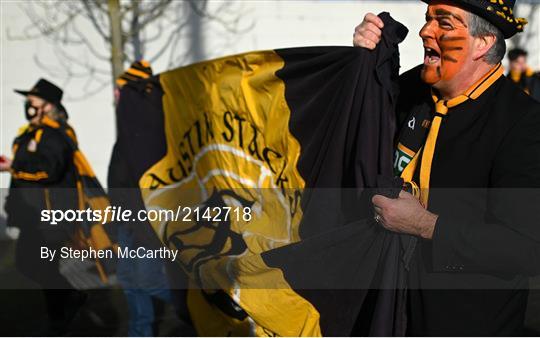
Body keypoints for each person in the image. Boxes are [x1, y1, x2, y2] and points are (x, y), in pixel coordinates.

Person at [353, 0, 540, 335]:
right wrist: (363, 61)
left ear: (483, 44)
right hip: (387, 314)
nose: (426, 30)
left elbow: (526, 248)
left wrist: (426, 226)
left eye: (445, 23)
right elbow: (356, 128)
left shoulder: (523, 124)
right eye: (428, 19)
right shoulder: (409, 91)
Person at [0, 78, 87, 335]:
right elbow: (27, 168)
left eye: (33, 102)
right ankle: (60, 316)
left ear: (49, 106)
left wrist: (13, 167)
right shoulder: (29, 133)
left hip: (51, 216)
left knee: (34, 264)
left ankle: (67, 305)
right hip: (33, 216)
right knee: (37, 266)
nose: (28, 106)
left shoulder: (56, 133)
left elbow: (48, 169)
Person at [108, 60, 174, 336]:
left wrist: (141, 223)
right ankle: (141, 333)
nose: (115, 95)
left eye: (122, 89)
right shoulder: (127, 128)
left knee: (148, 281)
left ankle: (204, 310)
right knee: (129, 279)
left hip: (143, 221)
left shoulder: (150, 128)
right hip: (126, 218)